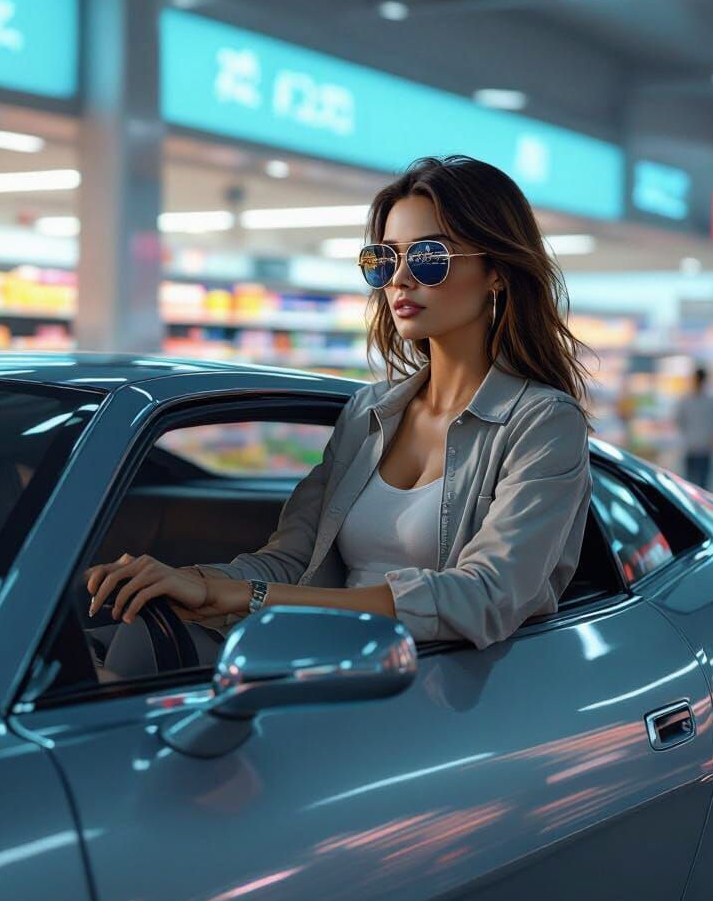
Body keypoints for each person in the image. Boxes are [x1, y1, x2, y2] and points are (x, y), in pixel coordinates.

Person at [85, 155, 593, 657]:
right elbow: (293, 562)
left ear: (496, 273)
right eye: (385, 259)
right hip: (317, 659)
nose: (399, 279)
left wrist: (248, 596)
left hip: (428, 683)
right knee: (111, 648)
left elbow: (485, 596)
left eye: (428, 257)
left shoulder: (543, 422)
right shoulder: (369, 413)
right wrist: (195, 580)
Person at [674, 366, 713, 490]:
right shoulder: (711, 401)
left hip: (693, 446)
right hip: (703, 447)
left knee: (691, 485)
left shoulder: (686, 400)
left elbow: (679, 421)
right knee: (703, 486)